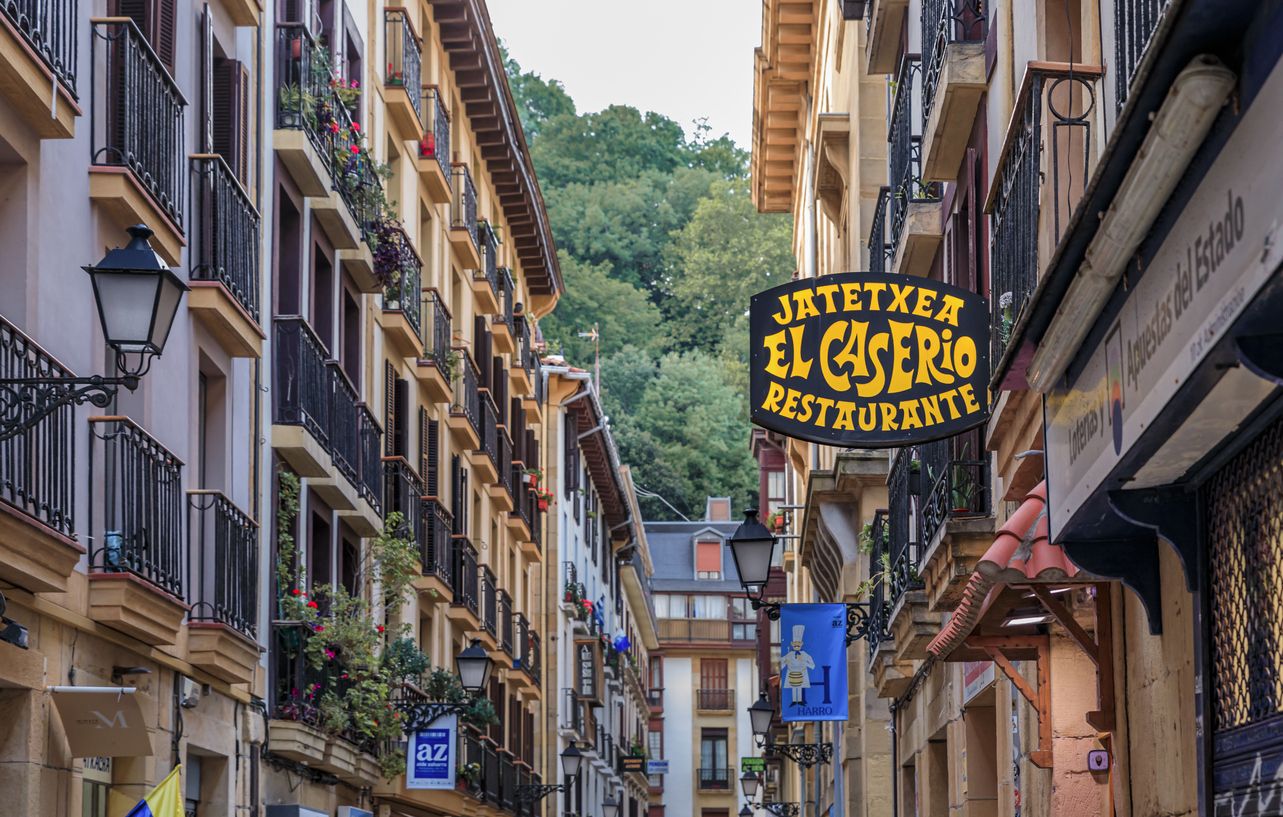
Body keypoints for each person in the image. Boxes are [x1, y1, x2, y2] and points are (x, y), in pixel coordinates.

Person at [780, 624, 815, 706]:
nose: (796, 645)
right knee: (793, 687)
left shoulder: (805, 655)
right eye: (795, 644)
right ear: (792, 644)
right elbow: (781, 664)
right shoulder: (789, 654)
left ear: (801, 643)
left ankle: (799, 701)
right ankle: (793, 701)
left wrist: (803, 661)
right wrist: (785, 662)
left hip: (801, 675)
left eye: (798, 644)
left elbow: (813, 666)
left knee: (799, 687)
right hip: (792, 674)